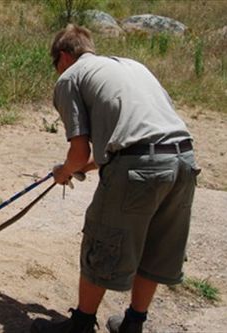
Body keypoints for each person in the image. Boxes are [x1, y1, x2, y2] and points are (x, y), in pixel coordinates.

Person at [30, 24, 200, 333]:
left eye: (55, 65)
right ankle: (134, 323)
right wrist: (81, 167)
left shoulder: (71, 78)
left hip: (139, 168)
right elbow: (140, 137)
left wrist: (64, 171)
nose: (57, 72)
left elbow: (79, 153)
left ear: (64, 57)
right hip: (183, 161)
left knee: (103, 240)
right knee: (155, 246)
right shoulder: (133, 66)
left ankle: (80, 324)